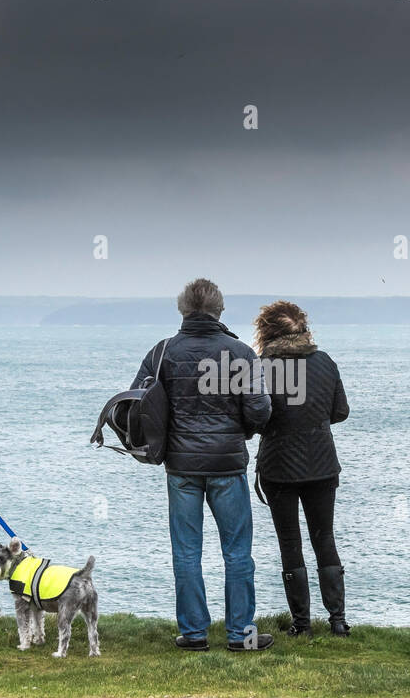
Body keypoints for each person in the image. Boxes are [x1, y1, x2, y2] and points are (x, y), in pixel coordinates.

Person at [132, 278, 273, 652]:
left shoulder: (161, 353)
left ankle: (194, 633)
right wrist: (241, 431)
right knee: (238, 551)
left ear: (182, 310)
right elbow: (259, 409)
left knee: (186, 551)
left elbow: (139, 406)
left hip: (181, 467)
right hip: (227, 464)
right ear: (220, 310)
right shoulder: (241, 353)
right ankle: (241, 634)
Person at [252, 300, 351, 636]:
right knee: (325, 537)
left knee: (290, 542)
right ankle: (338, 621)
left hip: (278, 466)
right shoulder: (325, 362)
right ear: (304, 329)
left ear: (265, 332)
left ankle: (302, 625)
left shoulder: (262, 367)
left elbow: (254, 418)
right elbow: (340, 412)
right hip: (323, 463)